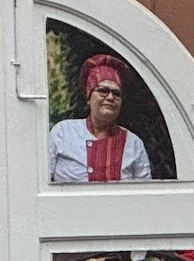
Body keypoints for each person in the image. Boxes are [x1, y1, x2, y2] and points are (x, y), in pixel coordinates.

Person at [49, 53, 153, 183]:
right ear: (88, 97)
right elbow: (40, 180)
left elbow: (145, 193)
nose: (110, 97)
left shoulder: (134, 143)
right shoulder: (63, 132)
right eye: (103, 90)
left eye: (116, 93)